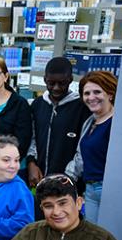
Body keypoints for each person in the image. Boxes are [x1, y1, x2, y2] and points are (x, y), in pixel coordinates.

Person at [26, 56, 90, 188]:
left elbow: (84, 147)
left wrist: (68, 178)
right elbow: (31, 137)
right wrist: (31, 163)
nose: (56, 88)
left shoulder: (82, 108)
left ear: (70, 80)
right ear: (45, 80)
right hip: (39, 181)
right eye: (51, 83)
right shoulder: (37, 105)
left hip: (68, 184)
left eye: (62, 83)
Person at [66, 71, 117, 223]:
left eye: (97, 92)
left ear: (110, 94)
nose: (91, 97)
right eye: (86, 93)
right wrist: (66, 178)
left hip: (109, 190)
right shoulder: (90, 123)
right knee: (93, 237)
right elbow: (81, 157)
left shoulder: (117, 123)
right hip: (90, 189)